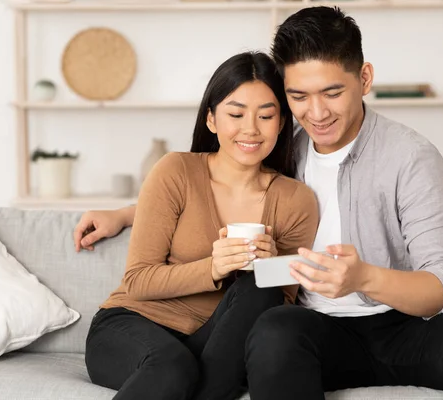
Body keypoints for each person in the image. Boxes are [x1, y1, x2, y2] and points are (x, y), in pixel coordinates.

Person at [75, 7, 443, 400]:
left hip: (403, 329)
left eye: (332, 92)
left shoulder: (410, 157)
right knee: (274, 326)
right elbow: (215, 183)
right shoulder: (281, 145)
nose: (317, 112)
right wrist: (126, 214)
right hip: (315, 333)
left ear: (364, 78)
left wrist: (364, 277)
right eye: (298, 97)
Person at [80, 51, 319, 400]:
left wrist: (270, 267)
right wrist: (214, 268)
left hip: (212, 346)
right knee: (172, 367)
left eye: (266, 115)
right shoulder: (176, 171)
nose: (250, 129)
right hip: (131, 327)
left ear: (282, 122)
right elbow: (137, 281)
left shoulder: (296, 200)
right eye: (235, 114)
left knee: (262, 289)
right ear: (211, 119)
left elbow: (277, 311)